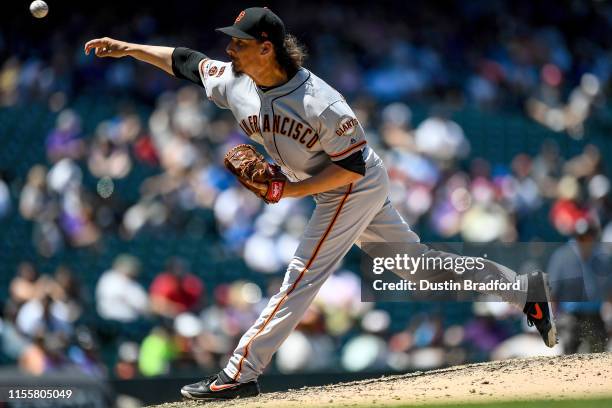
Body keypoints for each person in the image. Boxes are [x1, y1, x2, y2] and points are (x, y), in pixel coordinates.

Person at [84, 7, 557, 401]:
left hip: (353, 183)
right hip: (327, 183)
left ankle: (240, 372)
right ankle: (522, 288)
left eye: (240, 43)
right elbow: (186, 61)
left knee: (302, 274)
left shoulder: (321, 102)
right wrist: (127, 48)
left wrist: (287, 192)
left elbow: (350, 168)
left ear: (266, 48)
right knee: (420, 268)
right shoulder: (234, 81)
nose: (230, 50)